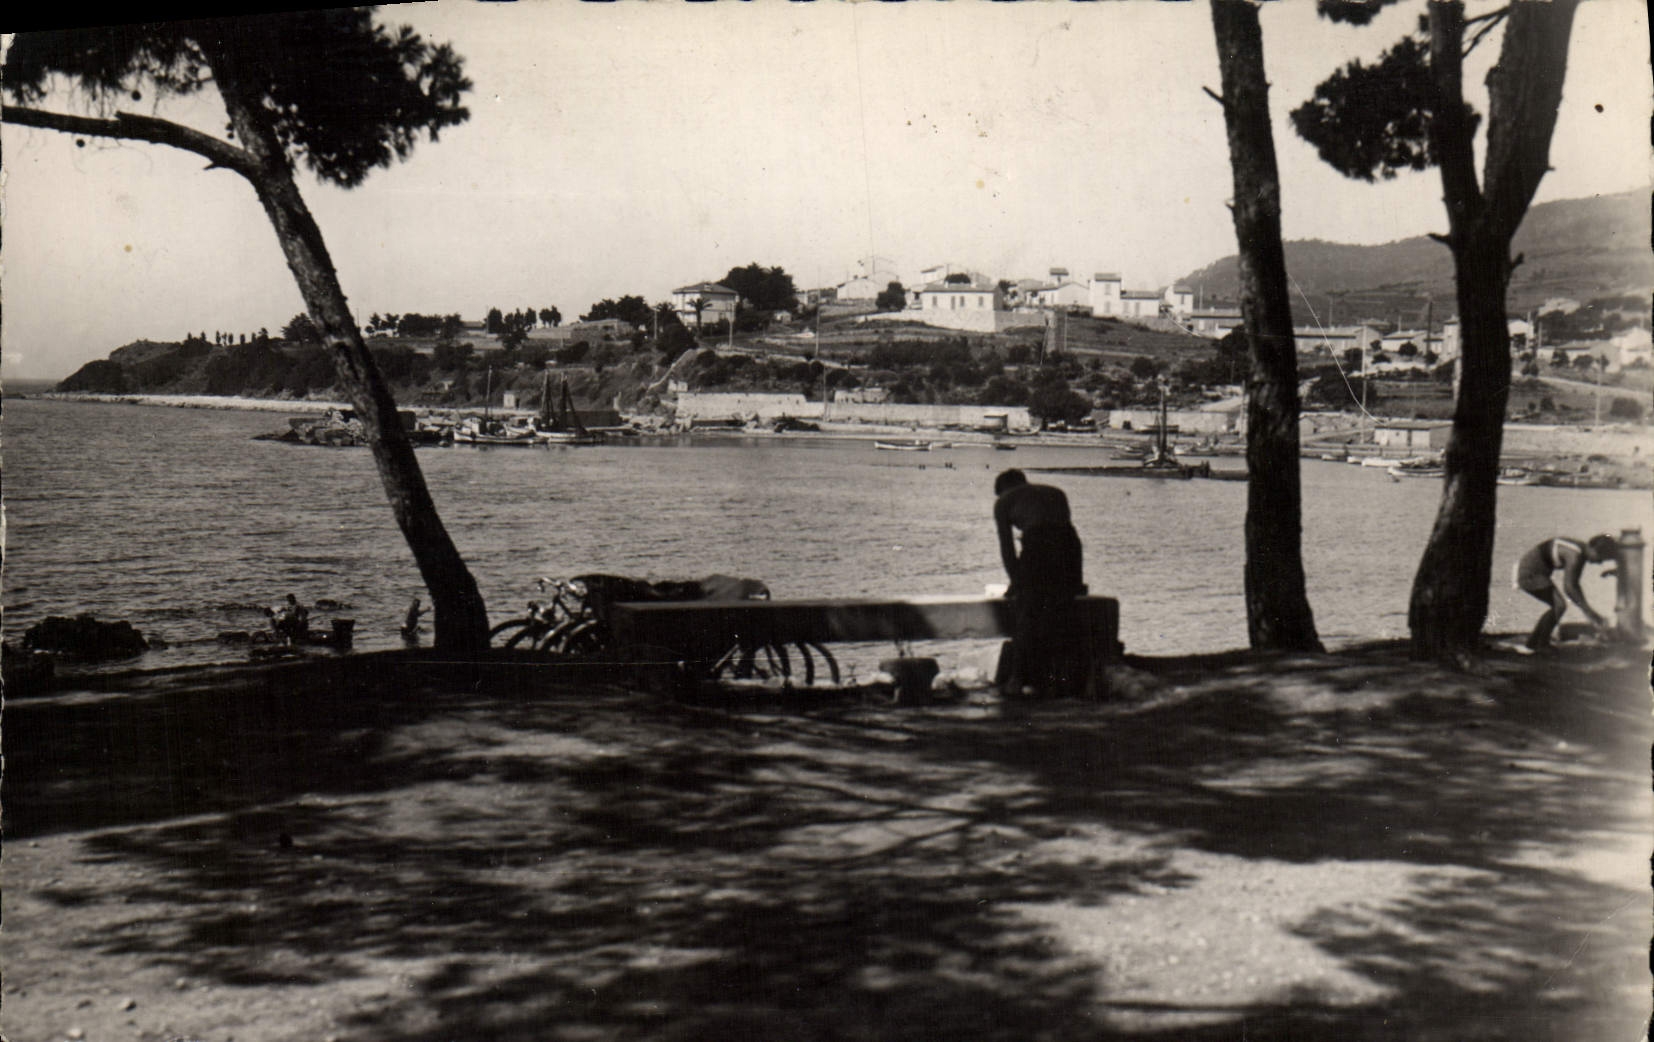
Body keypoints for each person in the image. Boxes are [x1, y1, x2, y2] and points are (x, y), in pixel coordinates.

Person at [993, 469, 1086, 697]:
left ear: (1002, 489)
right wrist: (1078, 579)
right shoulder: (1055, 492)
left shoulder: (1004, 501)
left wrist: (1016, 582)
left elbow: (1007, 548)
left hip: (1039, 545)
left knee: (1028, 611)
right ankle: (1060, 681)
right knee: (1061, 610)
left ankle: (1017, 679)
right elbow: (1068, 536)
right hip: (1069, 546)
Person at [1514, 533, 1618, 651]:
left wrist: (1589, 611)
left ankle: (1533, 643)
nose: (1599, 563)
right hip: (1529, 573)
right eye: (1600, 558)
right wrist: (1590, 613)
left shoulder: (1581, 551)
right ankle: (1541, 645)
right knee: (1559, 605)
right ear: (1593, 549)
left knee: (1557, 606)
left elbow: (1574, 586)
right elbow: (1569, 588)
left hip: (1534, 570)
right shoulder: (1575, 556)